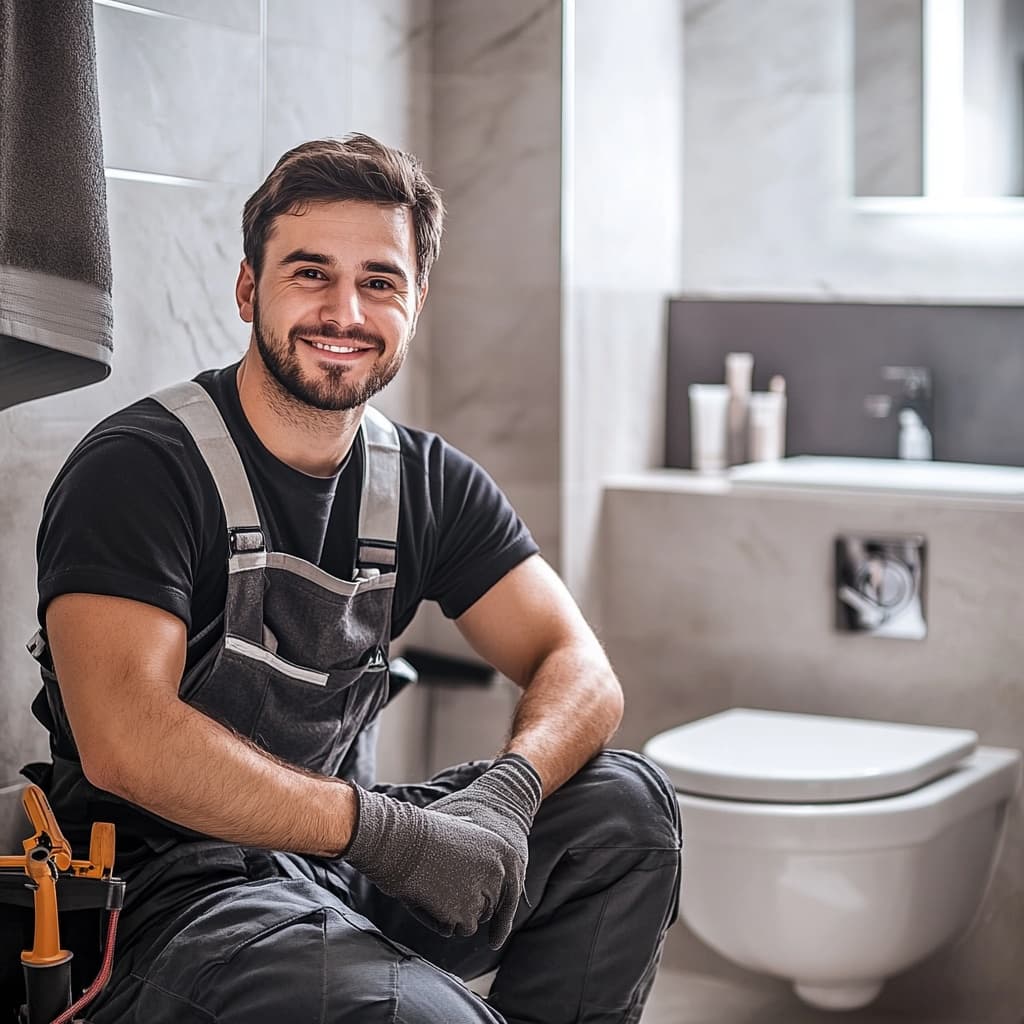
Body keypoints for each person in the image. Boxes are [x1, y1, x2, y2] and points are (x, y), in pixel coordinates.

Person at [23, 134, 681, 1024]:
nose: (345, 311)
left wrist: (508, 793)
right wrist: (388, 834)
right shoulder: (143, 467)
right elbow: (124, 740)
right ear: (249, 288)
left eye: (379, 281)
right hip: (161, 900)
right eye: (309, 274)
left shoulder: (424, 480)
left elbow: (580, 666)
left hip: (329, 867)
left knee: (625, 806)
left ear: (414, 305)